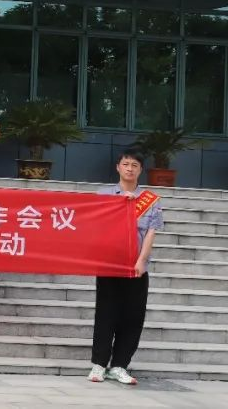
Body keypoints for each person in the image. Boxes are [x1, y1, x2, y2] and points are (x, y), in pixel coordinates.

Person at [88, 149, 163, 386]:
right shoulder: (104, 195)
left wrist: (142, 260)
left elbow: (151, 232)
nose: (130, 169)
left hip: (137, 267)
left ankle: (120, 365)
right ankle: (99, 364)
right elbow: (96, 225)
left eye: (135, 165)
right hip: (109, 264)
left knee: (132, 316)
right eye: (126, 164)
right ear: (118, 167)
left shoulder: (150, 200)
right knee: (106, 313)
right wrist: (120, 206)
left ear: (140, 170)